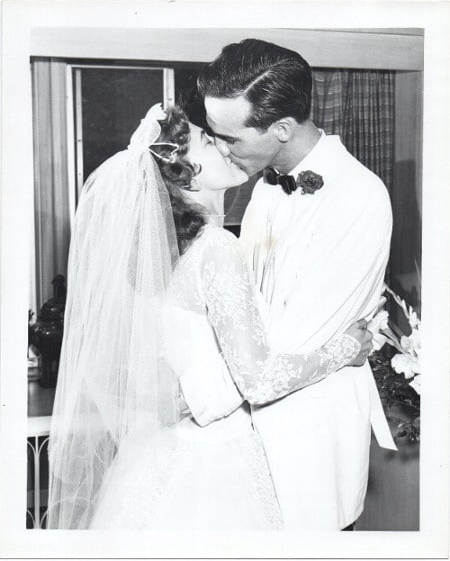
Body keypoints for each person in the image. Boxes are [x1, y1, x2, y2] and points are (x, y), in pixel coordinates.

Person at [47, 103, 372, 530]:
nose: (223, 145)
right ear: (185, 172)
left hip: (164, 453)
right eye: (207, 140)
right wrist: (348, 347)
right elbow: (257, 380)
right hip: (218, 461)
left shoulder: (169, 256)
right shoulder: (214, 246)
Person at [196, 38, 397, 530]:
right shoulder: (265, 185)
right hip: (246, 442)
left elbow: (280, 352)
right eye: (213, 134)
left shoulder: (359, 197)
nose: (220, 149)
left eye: (231, 138)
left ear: (282, 128)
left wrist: (191, 391)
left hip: (307, 446)